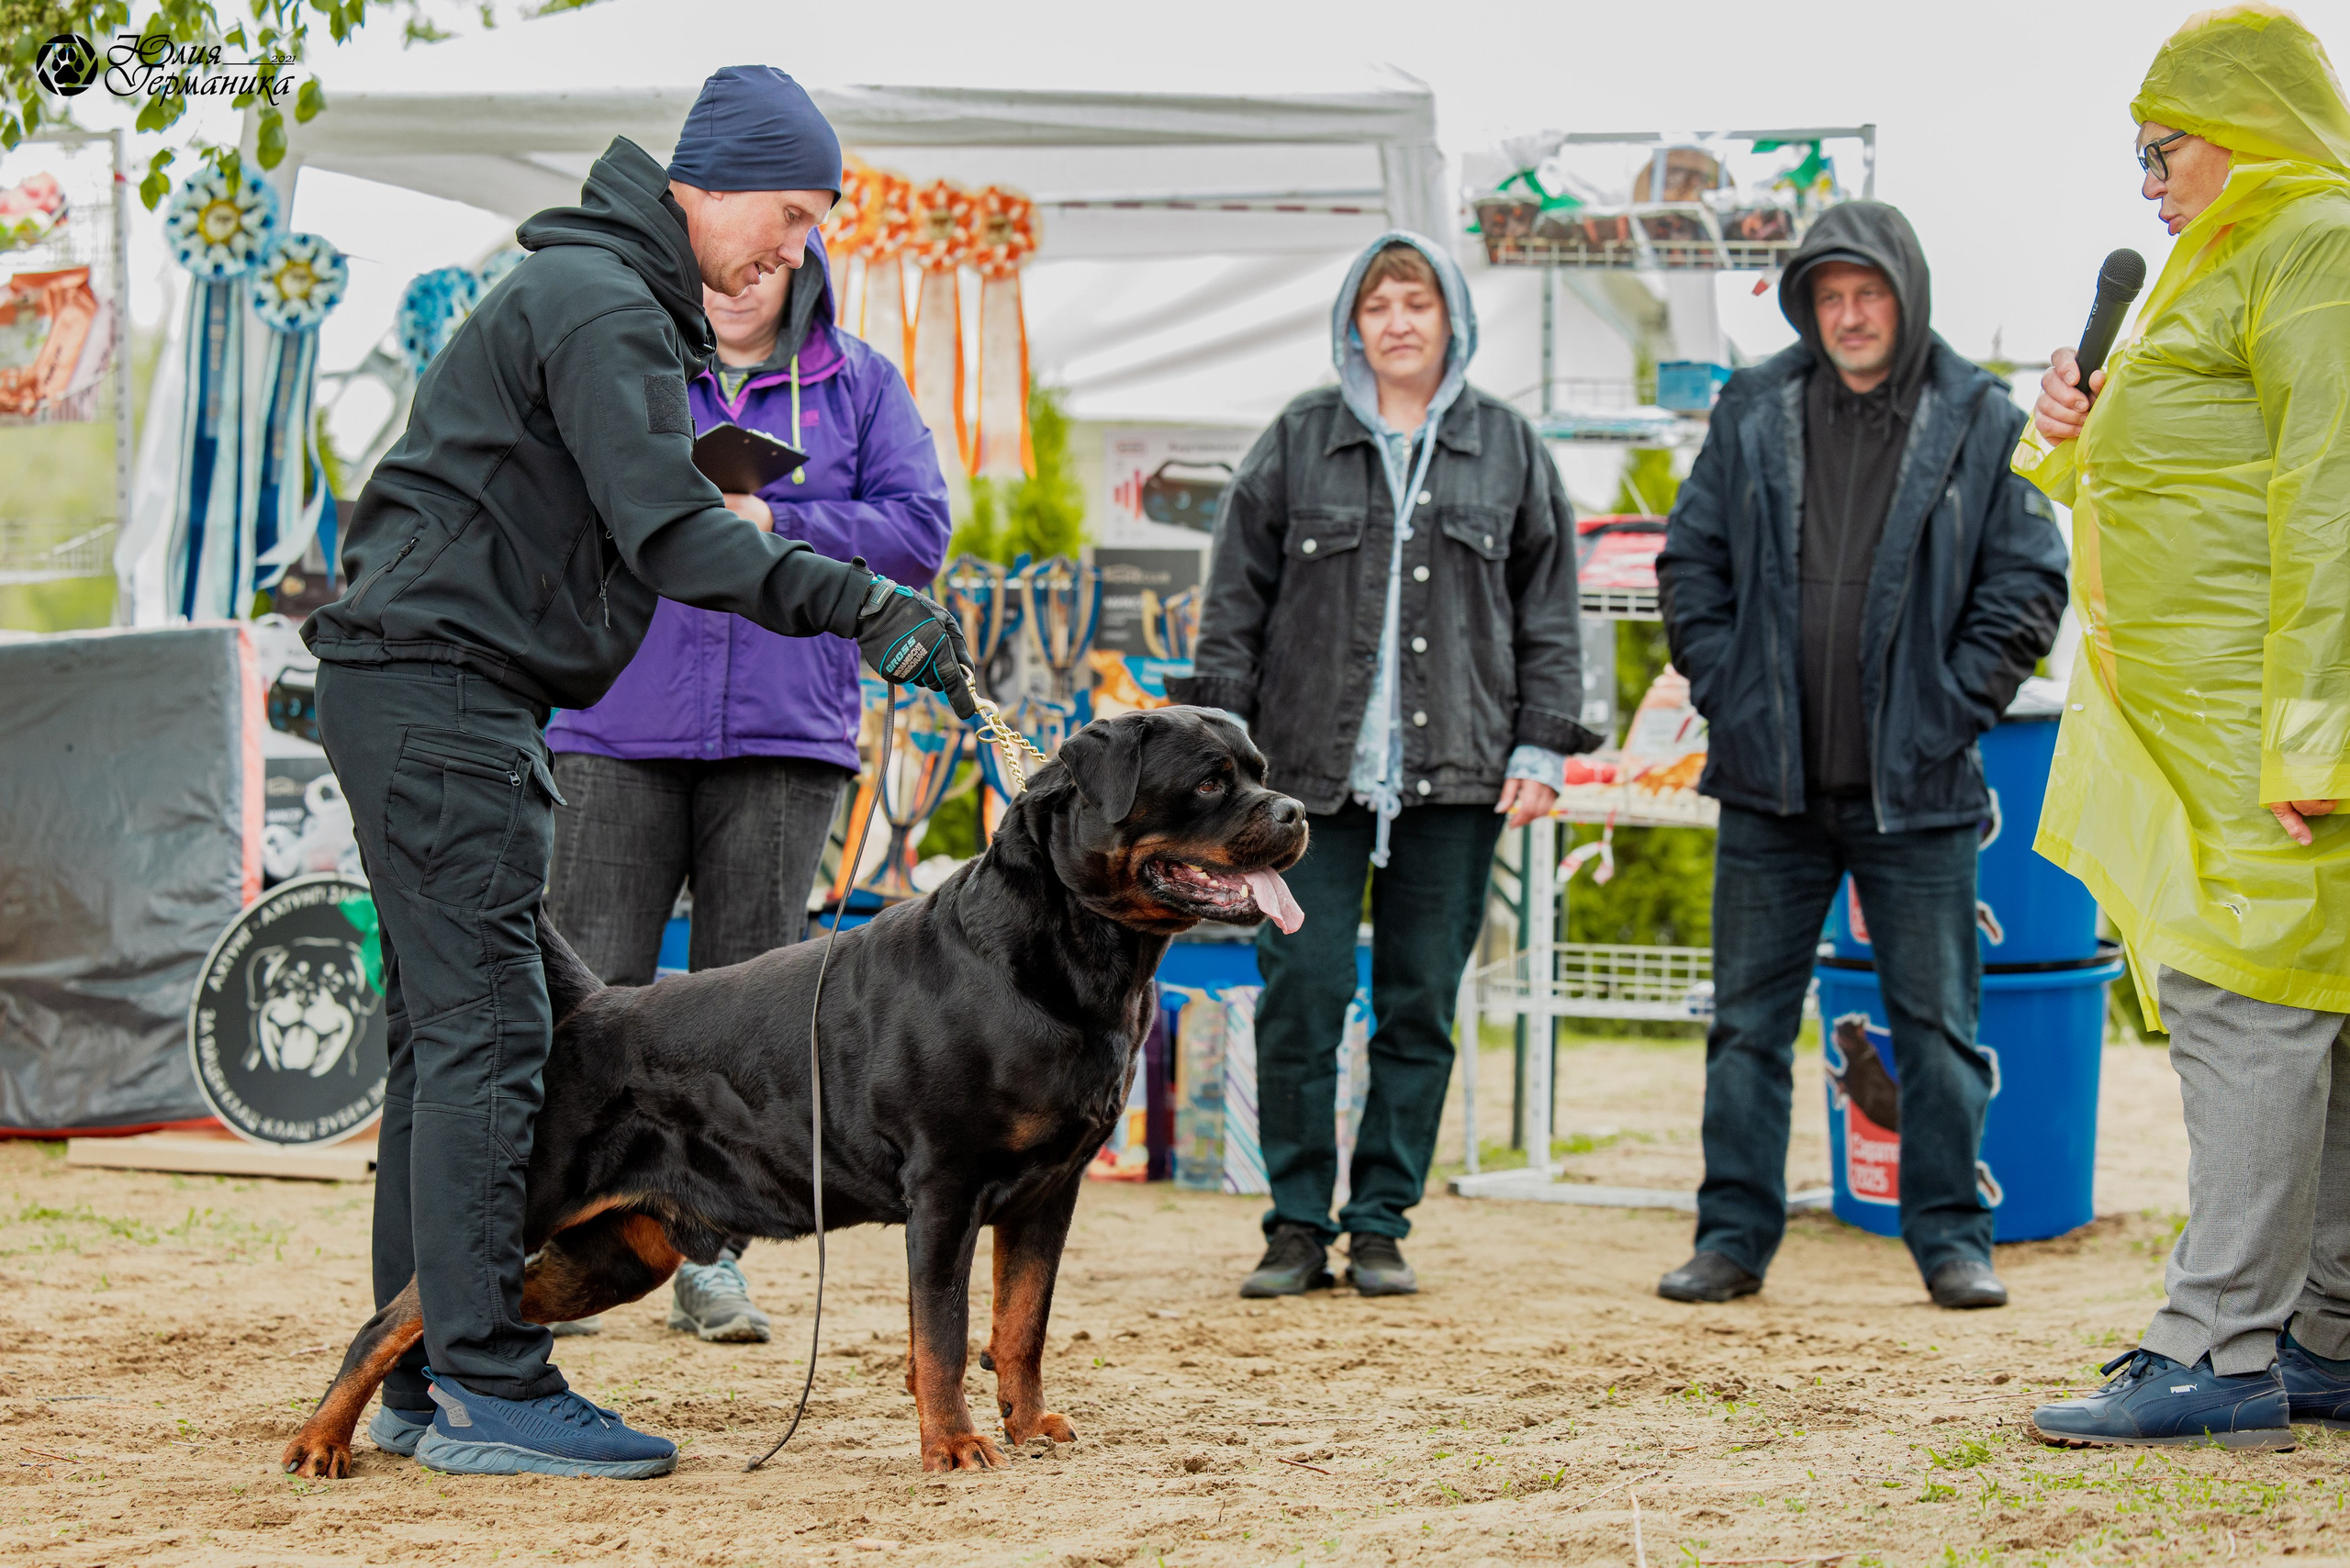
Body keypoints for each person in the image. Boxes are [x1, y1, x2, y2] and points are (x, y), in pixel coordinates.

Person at [301, 66, 973, 1479]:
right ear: (708, 183)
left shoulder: (605, 301)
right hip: (442, 697)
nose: (797, 247)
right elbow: (675, 535)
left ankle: (423, 1376)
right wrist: (862, 603)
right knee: (492, 1038)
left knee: (457, 1036)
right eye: (788, 215)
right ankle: (489, 1381)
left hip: (447, 696)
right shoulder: (604, 305)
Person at [2021, 6, 2350, 1450]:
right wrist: (2066, 432)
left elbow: (2334, 500)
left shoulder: (2315, 243)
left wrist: (2315, 735)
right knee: (2309, 1016)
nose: (2146, 185)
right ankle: (2327, 1338)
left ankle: (2216, 1347)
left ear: (2250, 123)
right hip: (2203, 713)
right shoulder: (2214, 266)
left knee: (2247, 1008)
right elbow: (2169, 492)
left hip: (2255, 717)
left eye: (2164, 150)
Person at [1654, 201, 2068, 1312]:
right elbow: (1689, 561)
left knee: (1936, 1027)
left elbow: (2028, 579)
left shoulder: (1981, 418)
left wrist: (1951, 706)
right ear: (1805, 305)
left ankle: (1949, 1238)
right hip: (1767, 783)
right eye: (1828, 297)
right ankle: (1731, 1239)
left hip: (1920, 788)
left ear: (1906, 295)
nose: (1847, 315)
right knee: (1745, 1024)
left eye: (1867, 293)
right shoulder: (1751, 407)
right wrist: (1725, 689)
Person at [541, 228, 950, 1346]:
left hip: (784, 733)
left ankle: (710, 1260)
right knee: (589, 999)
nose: (751, 277)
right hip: (615, 715)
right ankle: (542, 1247)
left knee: (751, 1015)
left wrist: (782, 521)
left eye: (777, 261)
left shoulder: (860, 383)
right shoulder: (629, 361)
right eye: (740, 259)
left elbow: (920, 530)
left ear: (800, 268)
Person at [1176, 232, 1597, 1299]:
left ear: (1450, 317)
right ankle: (1294, 1226)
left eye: (1416, 302)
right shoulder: (1297, 439)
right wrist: (1219, 768)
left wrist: (1542, 741)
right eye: (1377, 305)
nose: (1398, 321)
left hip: (1456, 774)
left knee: (1419, 1001)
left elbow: (1549, 611)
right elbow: (1232, 608)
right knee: (1302, 995)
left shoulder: (1507, 446)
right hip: (1302, 784)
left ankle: (1379, 1224)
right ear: (1352, 325)